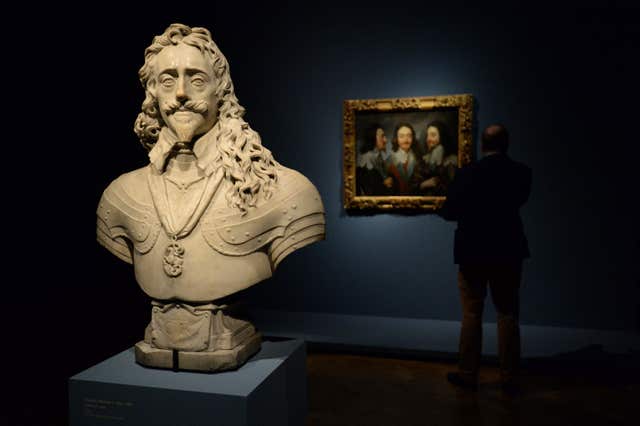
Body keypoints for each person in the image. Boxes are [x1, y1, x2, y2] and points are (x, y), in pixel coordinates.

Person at [96, 24, 325, 371]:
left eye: (197, 79)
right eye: (169, 81)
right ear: (152, 93)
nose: (183, 93)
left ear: (222, 91)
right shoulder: (120, 197)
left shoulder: (282, 191)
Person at [438, 124, 531, 394]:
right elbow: (518, 201)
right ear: (507, 144)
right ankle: (510, 378)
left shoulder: (467, 174)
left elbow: (448, 211)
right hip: (508, 251)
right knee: (508, 315)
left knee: (471, 313)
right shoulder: (522, 173)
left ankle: (468, 374)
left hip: (473, 252)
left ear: (482, 145)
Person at [412, 121, 457, 195]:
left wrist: (439, 163)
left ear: (442, 137)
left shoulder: (452, 161)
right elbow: (412, 186)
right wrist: (423, 185)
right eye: (428, 135)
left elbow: (453, 188)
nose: (428, 139)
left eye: (433, 135)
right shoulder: (423, 160)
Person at [384, 122, 419, 195]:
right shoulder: (389, 160)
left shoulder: (417, 158)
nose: (406, 139)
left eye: (409, 136)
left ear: (413, 138)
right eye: (401, 136)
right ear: (396, 139)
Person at [356, 124, 390, 195]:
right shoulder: (366, 159)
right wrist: (384, 184)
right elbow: (369, 190)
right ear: (372, 137)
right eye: (382, 136)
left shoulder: (379, 157)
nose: (385, 140)